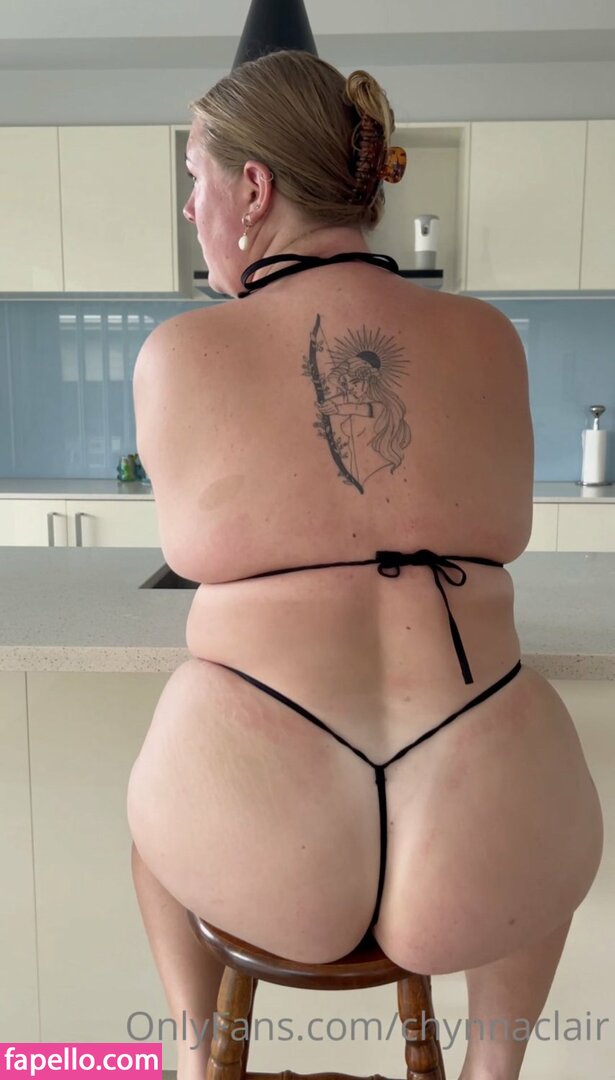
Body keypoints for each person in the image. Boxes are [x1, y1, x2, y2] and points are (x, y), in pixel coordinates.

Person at [126, 49, 603, 1080]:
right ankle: (491, 1074)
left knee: (155, 819)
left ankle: (199, 1062)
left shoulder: (181, 354)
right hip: (489, 827)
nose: (191, 208)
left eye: (196, 179)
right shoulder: (488, 338)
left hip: (264, 839)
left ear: (254, 189)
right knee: (530, 763)